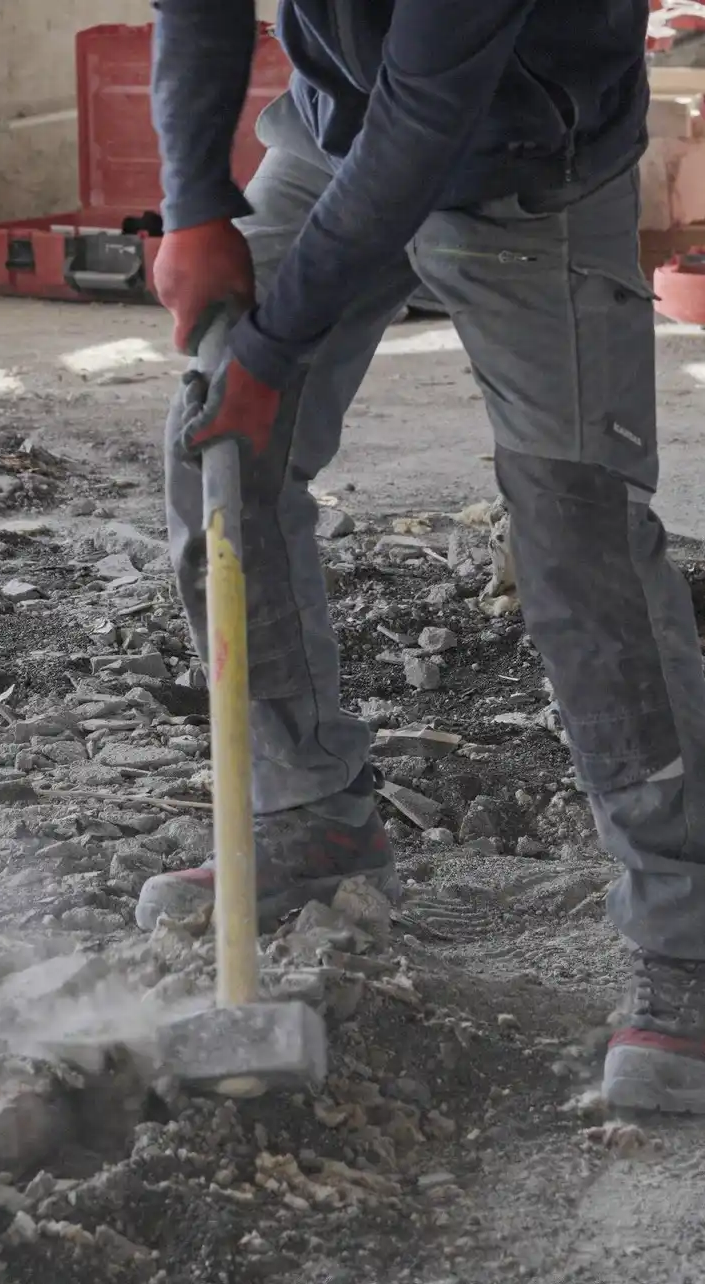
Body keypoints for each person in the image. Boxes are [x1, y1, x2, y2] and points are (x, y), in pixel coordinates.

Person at [132, 0, 705, 1115]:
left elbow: (428, 114)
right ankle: (314, 817)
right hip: (334, 129)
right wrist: (195, 203)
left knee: (575, 528)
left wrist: (278, 343)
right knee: (219, 452)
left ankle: (688, 933)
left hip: (529, 162)